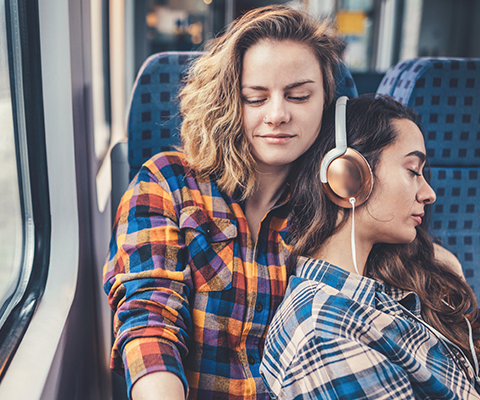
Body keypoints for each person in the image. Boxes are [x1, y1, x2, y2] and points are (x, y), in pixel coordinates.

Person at [103, 6, 343, 400]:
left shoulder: (340, 200)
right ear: (228, 102)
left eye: (299, 96)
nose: (278, 114)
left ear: (328, 103)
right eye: (255, 98)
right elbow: (150, 321)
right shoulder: (167, 183)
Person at [260, 95, 480, 400]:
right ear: (347, 177)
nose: (429, 194)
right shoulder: (324, 330)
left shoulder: (398, 283)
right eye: (413, 171)